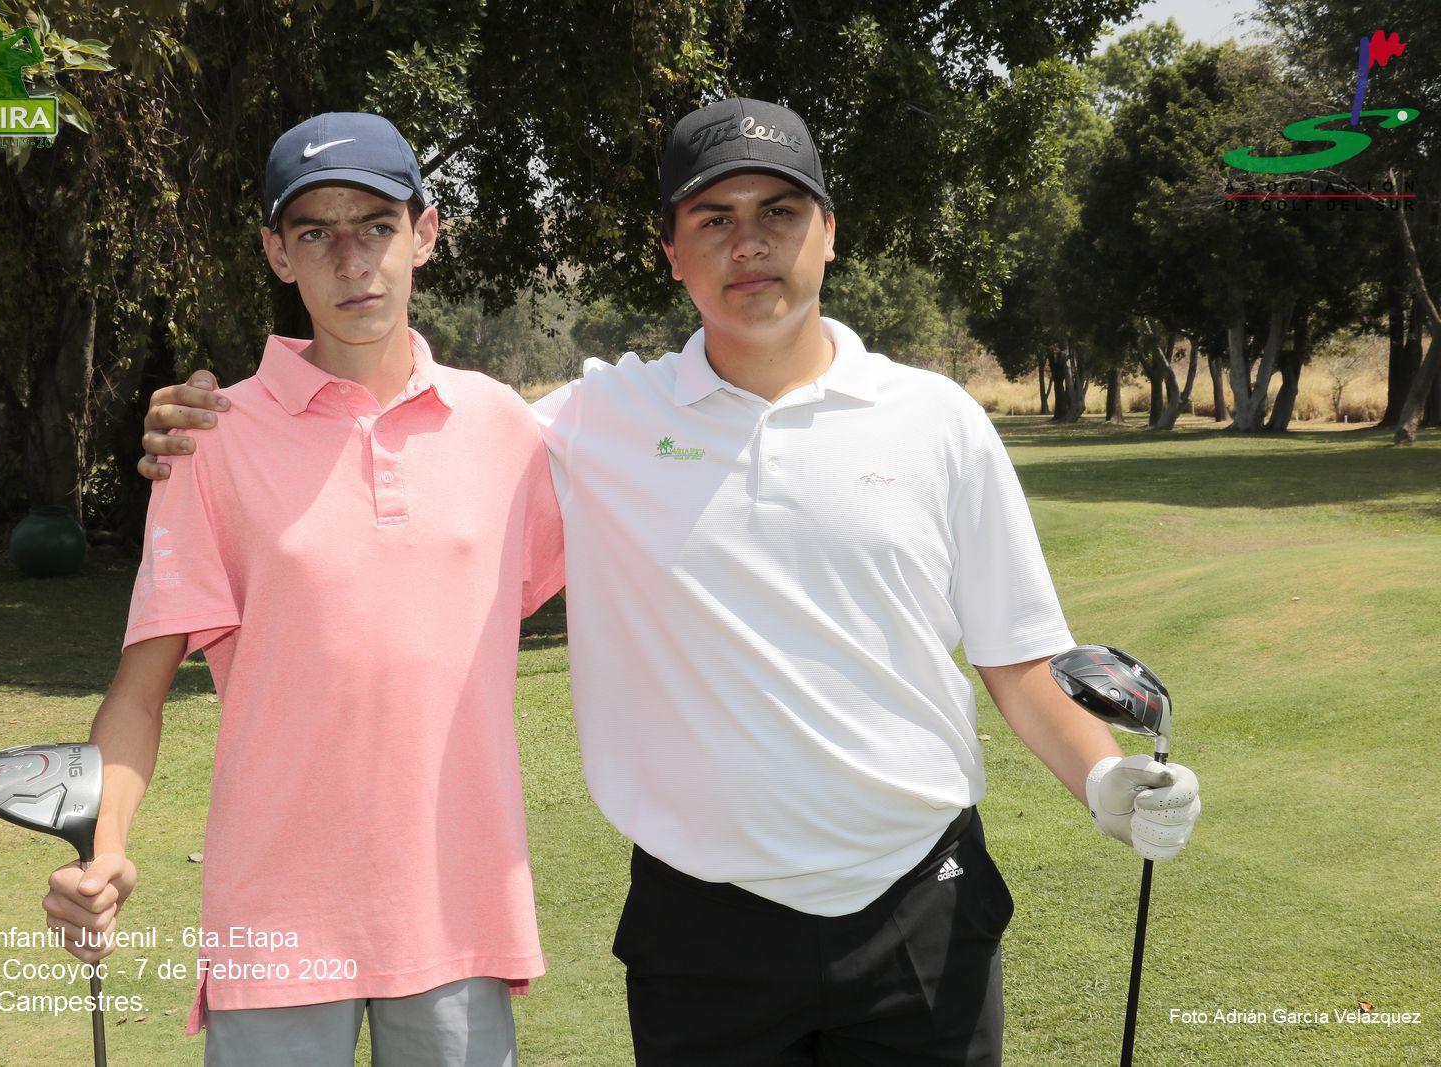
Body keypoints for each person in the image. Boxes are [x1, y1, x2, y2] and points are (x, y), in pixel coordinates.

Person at [138, 98, 1201, 1065]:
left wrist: (1104, 779)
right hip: (702, 929)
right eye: (714, 219)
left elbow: (1018, 659)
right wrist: (211, 427)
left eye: (780, 211)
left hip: (923, 901)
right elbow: (402, 439)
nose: (750, 243)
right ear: (672, 253)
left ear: (829, 232)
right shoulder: (595, 423)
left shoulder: (938, 420)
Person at [40, 112, 564, 1067]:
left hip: (457, 914)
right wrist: (106, 843)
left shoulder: (504, 429)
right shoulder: (210, 439)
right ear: (278, 253)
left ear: (425, 233)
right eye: (316, 233)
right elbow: (139, 691)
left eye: (376, 225)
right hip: (275, 920)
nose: (351, 260)